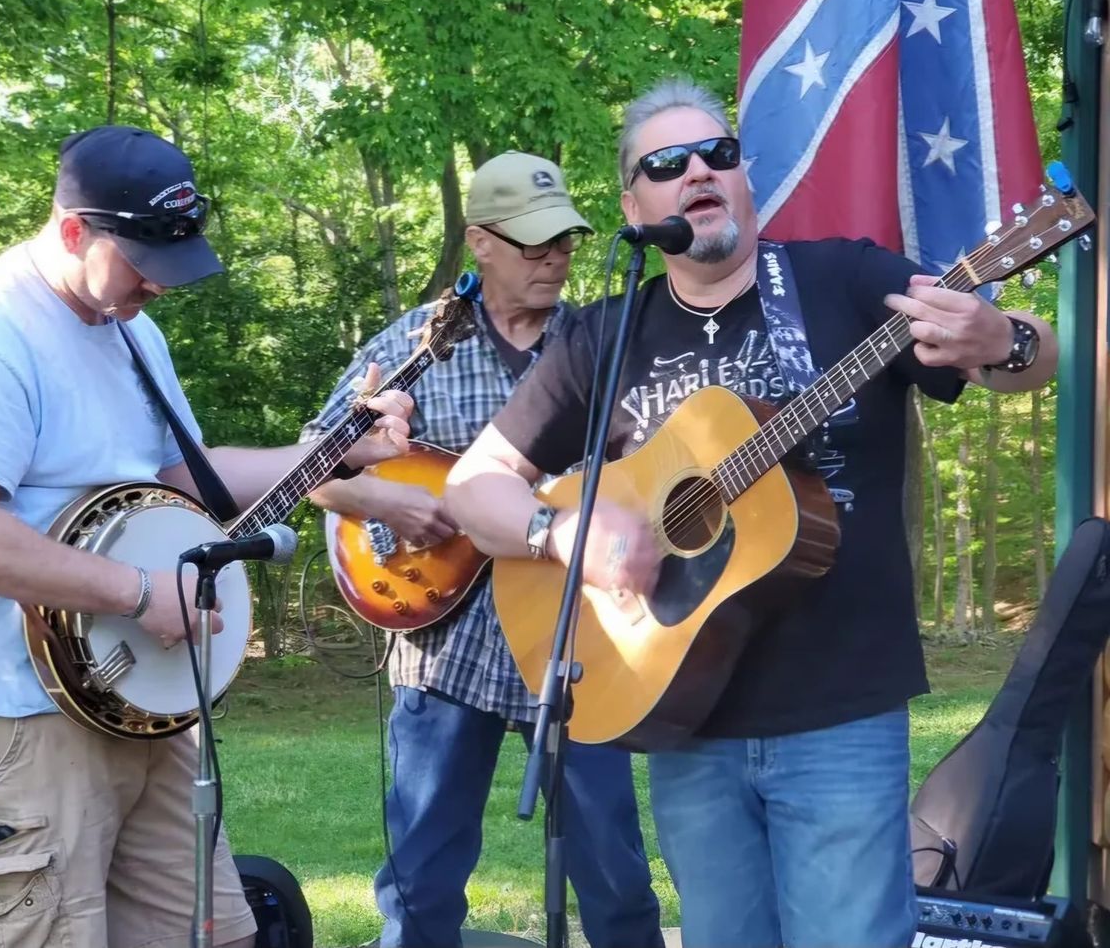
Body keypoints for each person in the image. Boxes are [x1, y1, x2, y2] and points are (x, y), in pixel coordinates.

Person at [445, 78, 1058, 948]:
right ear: (634, 203)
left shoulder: (847, 282)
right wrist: (564, 533)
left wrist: (1011, 341)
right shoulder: (608, 333)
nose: (698, 170)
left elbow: (1031, 359)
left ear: (745, 179)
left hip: (841, 707)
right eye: (668, 163)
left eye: (718, 154)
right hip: (684, 711)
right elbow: (475, 484)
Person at [0, 125, 412, 948]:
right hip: (19, 711)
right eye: (138, 259)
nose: (157, 285)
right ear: (73, 229)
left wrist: (346, 448)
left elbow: (182, 478)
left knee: (213, 933)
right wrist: (139, 594)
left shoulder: (131, 326)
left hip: (142, 699)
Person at [303, 151, 664, 948]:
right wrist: (386, 498)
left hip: (576, 643)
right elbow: (311, 471)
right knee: (421, 887)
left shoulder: (603, 345)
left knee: (616, 882)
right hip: (446, 647)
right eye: (534, 244)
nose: (556, 259)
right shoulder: (410, 348)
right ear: (480, 243)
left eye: (564, 241)